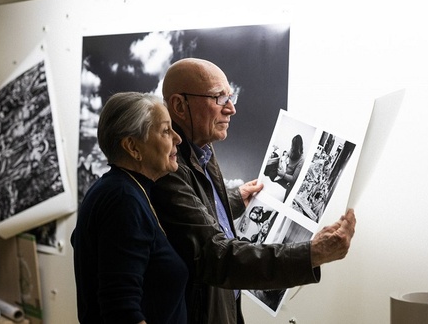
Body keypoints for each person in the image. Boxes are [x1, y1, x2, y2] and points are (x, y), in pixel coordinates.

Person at [151, 58, 356, 324]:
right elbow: (215, 256)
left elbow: (195, 217)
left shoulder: (202, 149)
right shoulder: (168, 167)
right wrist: (310, 254)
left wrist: (234, 200)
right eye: (219, 98)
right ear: (180, 105)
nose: (231, 109)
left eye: (230, 96)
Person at [71, 92, 188, 324]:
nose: (177, 138)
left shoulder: (118, 189)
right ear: (132, 146)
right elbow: (121, 311)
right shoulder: (123, 200)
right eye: (166, 130)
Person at [276, 134, 305, 201]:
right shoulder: (291, 150)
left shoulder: (301, 160)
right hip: (282, 173)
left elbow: (293, 179)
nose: (291, 149)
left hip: (287, 181)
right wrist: (283, 159)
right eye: (292, 146)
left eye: (293, 147)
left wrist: (283, 175)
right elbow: (286, 155)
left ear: (298, 148)